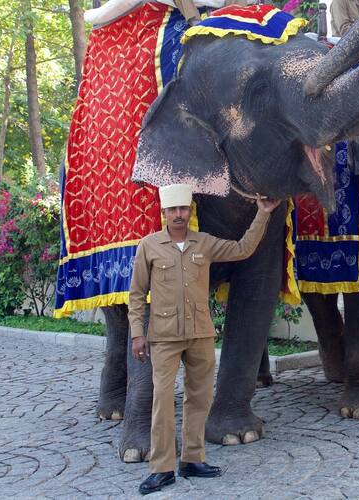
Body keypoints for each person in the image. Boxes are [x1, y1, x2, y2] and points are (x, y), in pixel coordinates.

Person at [129, 184, 280, 495]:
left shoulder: (205, 243)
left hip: (199, 333)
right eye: (173, 210)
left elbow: (243, 249)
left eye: (183, 209)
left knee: (198, 400)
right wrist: (136, 334)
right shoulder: (150, 246)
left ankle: (193, 460)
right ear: (165, 213)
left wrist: (263, 214)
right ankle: (162, 468)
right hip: (166, 336)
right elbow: (136, 294)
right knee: (162, 401)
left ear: (190, 210)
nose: (179, 215)